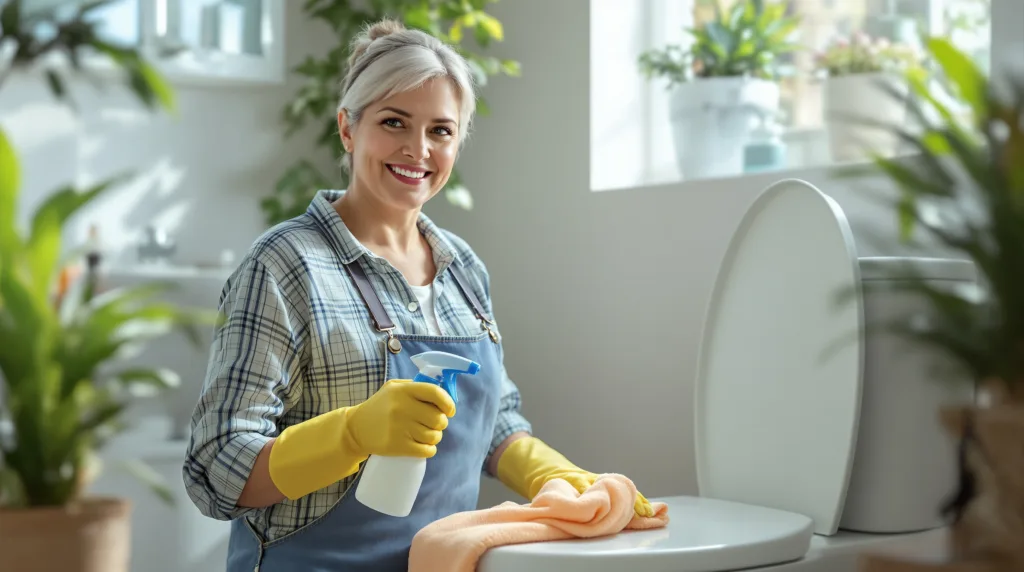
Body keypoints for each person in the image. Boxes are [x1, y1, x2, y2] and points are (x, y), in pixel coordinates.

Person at [181, 18, 653, 572]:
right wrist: (350, 434)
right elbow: (215, 469)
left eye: (441, 131)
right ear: (348, 128)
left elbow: (493, 417)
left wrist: (552, 473)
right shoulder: (286, 265)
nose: (418, 149)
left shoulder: (463, 268)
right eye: (394, 122)